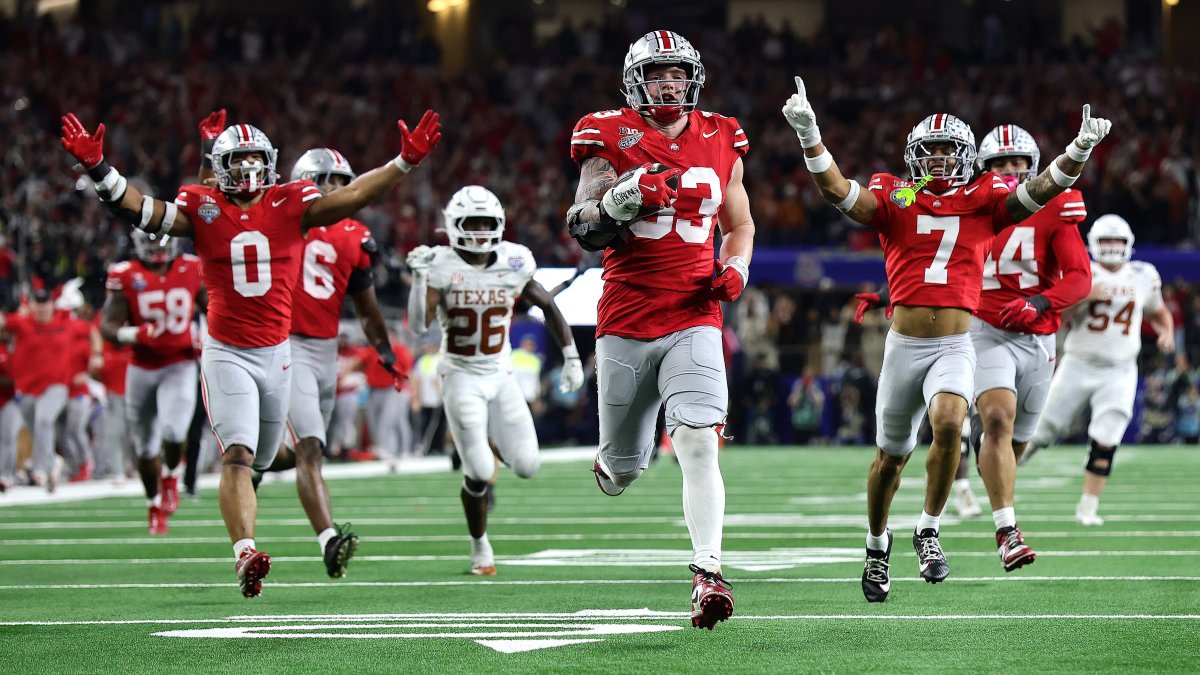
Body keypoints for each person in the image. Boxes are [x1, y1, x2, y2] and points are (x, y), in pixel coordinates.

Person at [60, 107, 441, 597]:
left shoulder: (291, 201)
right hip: (227, 352)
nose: (246, 171)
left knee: (262, 457)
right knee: (238, 454)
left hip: (278, 354)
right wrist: (98, 169)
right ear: (219, 168)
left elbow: (350, 197)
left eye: (254, 161)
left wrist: (404, 162)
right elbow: (141, 209)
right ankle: (244, 553)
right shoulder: (202, 206)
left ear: (271, 163)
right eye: (236, 162)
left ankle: (274, 497)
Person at [784, 77, 1111, 602]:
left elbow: (1040, 191)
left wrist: (1077, 151)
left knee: (951, 422)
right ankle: (876, 542)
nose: (937, 159)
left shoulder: (985, 199)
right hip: (904, 345)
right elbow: (839, 192)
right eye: (929, 151)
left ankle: (929, 529)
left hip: (957, 344)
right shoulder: (896, 194)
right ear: (915, 157)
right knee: (890, 458)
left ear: (963, 157)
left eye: (946, 150)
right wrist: (810, 137)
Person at [565, 30, 754, 629]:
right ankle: (613, 462)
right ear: (635, 81)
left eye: (677, 72)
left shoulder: (723, 135)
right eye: (656, 73)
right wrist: (621, 198)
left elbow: (740, 223)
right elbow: (582, 222)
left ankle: (708, 573)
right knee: (625, 469)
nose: (668, 82)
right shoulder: (607, 133)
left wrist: (737, 268)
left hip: (695, 313)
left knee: (698, 441)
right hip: (625, 317)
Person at [408, 185, 584, 577]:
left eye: (487, 222)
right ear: (454, 225)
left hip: (500, 373)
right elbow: (420, 325)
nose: (481, 230)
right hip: (460, 376)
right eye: (473, 222)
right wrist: (420, 283)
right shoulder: (439, 264)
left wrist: (571, 355)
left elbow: (547, 305)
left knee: (527, 465)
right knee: (481, 472)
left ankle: (485, 445)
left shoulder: (514, 260)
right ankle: (480, 546)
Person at [960, 124, 1092, 572]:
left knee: (1014, 443)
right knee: (998, 419)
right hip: (984, 326)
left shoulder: (1055, 204)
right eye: (1000, 163)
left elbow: (1079, 277)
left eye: (1018, 162)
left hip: (1038, 334)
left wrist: (1039, 302)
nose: (1011, 171)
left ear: (1034, 166)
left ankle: (990, 465)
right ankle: (1007, 531)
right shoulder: (971, 203)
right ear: (984, 168)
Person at [1022, 215, 1174, 526]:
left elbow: (1159, 311)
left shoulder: (1143, 275)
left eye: (1117, 242)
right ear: (1094, 244)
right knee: (1041, 431)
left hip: (1120, 369)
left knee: (1107, 436)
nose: (1112, 247)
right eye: (1106, 241)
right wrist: (1081, 297)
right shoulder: (1081, 273)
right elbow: (1057, 318)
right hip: (1079, 363)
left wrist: (1166, 332)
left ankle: (1088, 507)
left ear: (1128, 244)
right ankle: (998, 473)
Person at [99, 231, 205, 534]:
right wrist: (134, 334)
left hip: (180, 363)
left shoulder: (192, 267)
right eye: (151, 242)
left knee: (174, 431)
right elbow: (107, 326)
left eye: (162, 240)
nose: (157, 248)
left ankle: (172, 474)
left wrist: (206, 340)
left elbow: (214, 308)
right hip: (142, 366)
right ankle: (153, 504)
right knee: (145, 448)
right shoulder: (125, 274)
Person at [0, 288, 99, 492]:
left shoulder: (66, 323)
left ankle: (41, 469)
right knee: (36, 429)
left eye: (45, 303)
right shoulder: (23, 322)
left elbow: (91, 330)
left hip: (57, 386)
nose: (42, 308)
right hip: (26, 389)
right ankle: (52, 460)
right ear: (32, 305)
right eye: (38, 303)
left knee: (44, 421)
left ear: (52, 304)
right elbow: (2, 323)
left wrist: (97, 355)